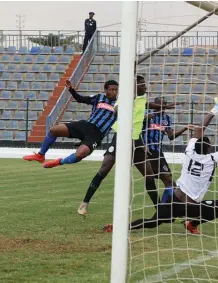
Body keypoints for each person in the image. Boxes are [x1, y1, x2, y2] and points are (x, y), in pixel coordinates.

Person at [103, 94, 218, 234]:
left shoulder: (190, 151)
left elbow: (200, 129)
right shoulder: (212, 159)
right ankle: (192, 223)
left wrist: (214, 110)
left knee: (152, 222)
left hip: (174, 199)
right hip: (190, 207)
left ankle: (118, 227)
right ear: (208, 148)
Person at [77, 78, 182, 216]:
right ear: (136, 87)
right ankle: (84, 204)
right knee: (103, 170)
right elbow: (116, 112)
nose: (146, 88)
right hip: (120, 138)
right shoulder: (124, 98)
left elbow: (150, 105)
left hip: (136, 140)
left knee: (149, 176)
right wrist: (128, 102)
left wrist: (167, 107)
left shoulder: (142, 100)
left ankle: (159, 210)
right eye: (143, 85)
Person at [23, 79, 118, 168]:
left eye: (116, 90)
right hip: (86, 126)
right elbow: (80, 99)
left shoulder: (120, 104)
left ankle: (60, 161)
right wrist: (71, 89)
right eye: (111, 89)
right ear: (105, 90)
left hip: (97, 135)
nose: (114, 92)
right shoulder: (99, 98)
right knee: (54, 130)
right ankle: (40, 155)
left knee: (80, 154)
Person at [142, 97, 195, 204]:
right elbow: (137, 125)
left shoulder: (166, 119)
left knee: (168, 181)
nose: (163, 107)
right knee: (168, 181)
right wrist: (145, 118)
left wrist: (185, 128)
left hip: (158, 151)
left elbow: (171, 136)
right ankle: (164, 208)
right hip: (147, 150)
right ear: (155, 105)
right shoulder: (148, 114)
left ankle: (162, 208)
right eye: (161, 104)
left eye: (165, 104)